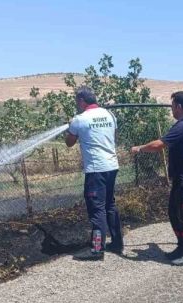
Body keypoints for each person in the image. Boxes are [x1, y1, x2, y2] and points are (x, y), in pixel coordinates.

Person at [130, 91, 183, 266]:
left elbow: (159, 145)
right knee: (173, 212)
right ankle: (181, 246)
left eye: (172, 106)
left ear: (178, 106)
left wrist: (139, 148)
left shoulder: (182, 127)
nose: (171, 109)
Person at [65, 86, 123, 260]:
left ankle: (97, 250)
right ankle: (117, 243)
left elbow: (69, 142)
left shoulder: (79, 119)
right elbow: (115, 137)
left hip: (96, 170)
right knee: (109, 205)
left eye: (77, 101)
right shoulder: (109, 115)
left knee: (96, 208)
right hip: (112, 166)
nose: (77, 104)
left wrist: (70, 127)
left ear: (82, 101)